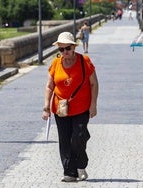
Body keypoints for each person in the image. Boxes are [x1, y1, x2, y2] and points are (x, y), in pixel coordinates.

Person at [42, 32, 99, 182]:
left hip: (81, 107)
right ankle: (69, 172)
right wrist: (46, 107)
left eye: (67, 48)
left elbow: (94, 83)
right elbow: (49, 86)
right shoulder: (55, 63)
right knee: (65, 139)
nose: (64, 52)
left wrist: (93, 105)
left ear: (74, 47)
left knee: (79, 136)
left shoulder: (84, 61)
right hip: (61, 108)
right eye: (61, 49)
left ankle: (80, 164)